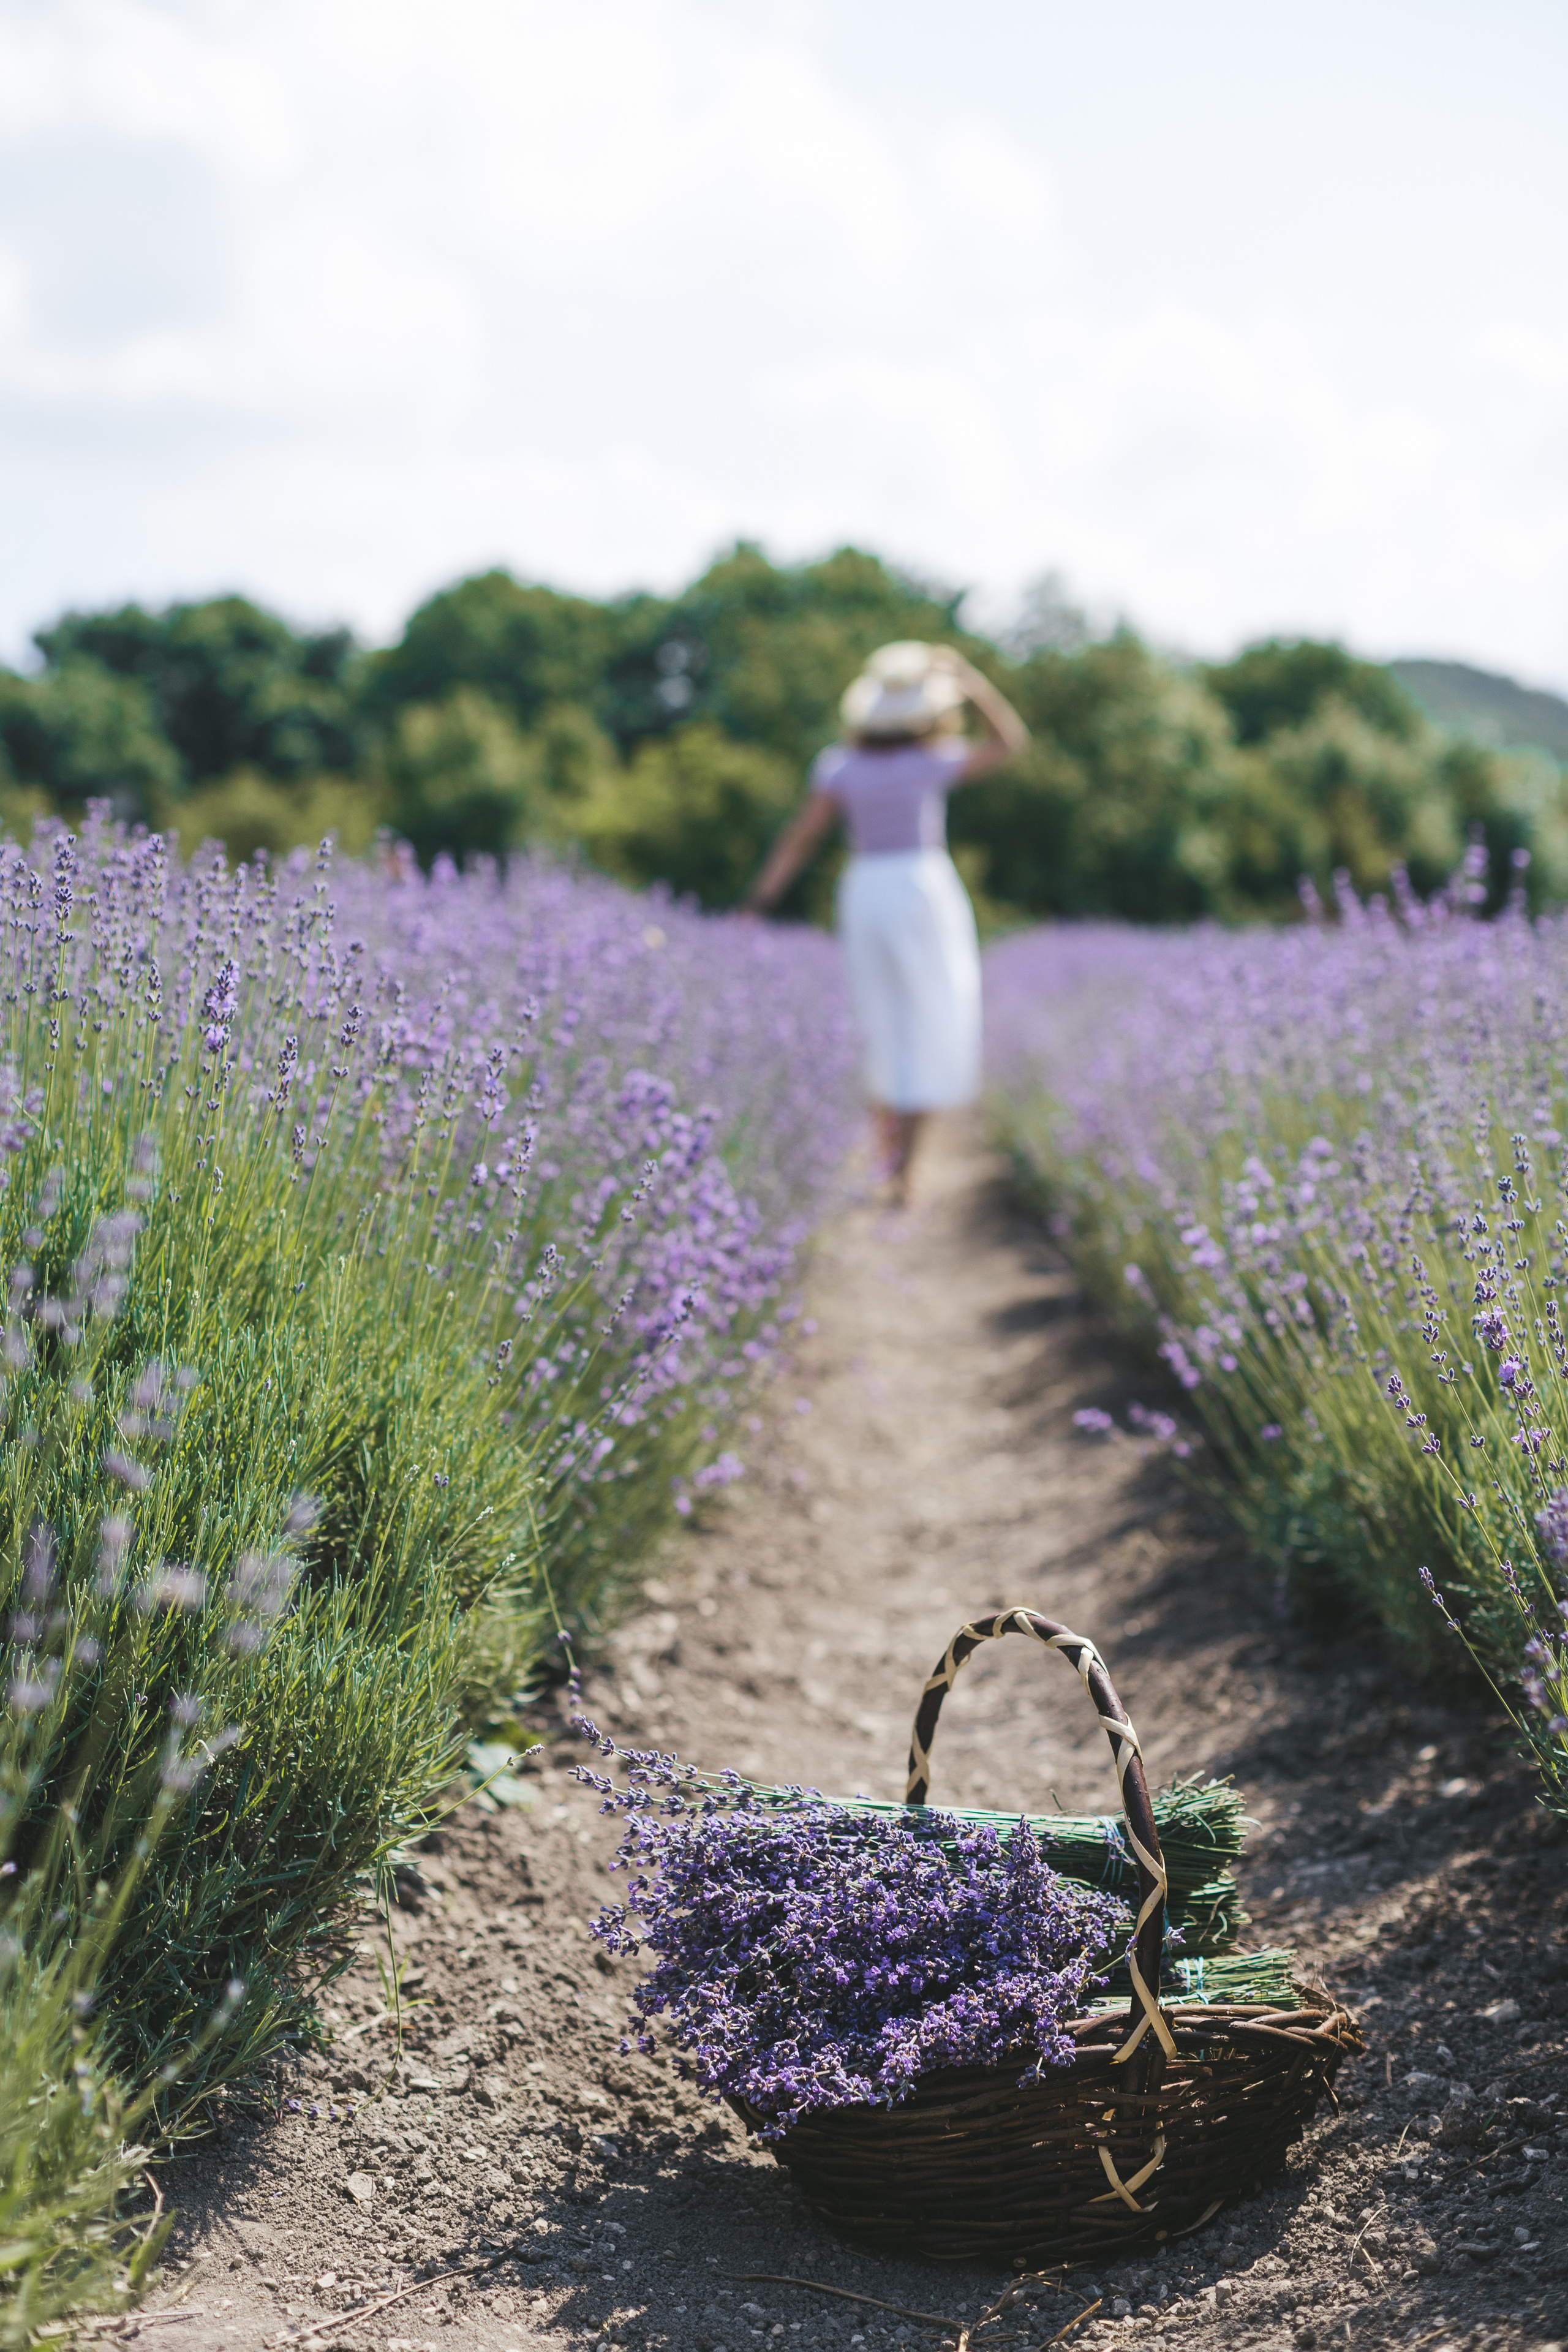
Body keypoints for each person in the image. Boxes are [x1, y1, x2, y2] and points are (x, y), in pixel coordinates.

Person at [742, 641, 1028, 1206]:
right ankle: (906, 1167)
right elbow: (1009, 743)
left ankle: (886, 1158)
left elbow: (802, 838)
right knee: (930, 1016)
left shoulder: (840, 766)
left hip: (867, 891)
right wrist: (971, 681)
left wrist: (759, 899)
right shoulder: (932, 760)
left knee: (879, 1020)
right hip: (923, 889)